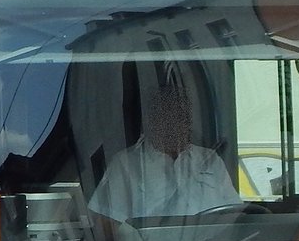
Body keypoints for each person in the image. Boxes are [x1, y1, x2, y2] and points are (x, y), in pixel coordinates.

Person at [88, 85, 240, 223]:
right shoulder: (125, 164)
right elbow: (105, 223)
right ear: (152, 120)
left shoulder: (209, 160)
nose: (177, 124)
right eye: (169, 117)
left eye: (183, 116)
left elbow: (234, 214)